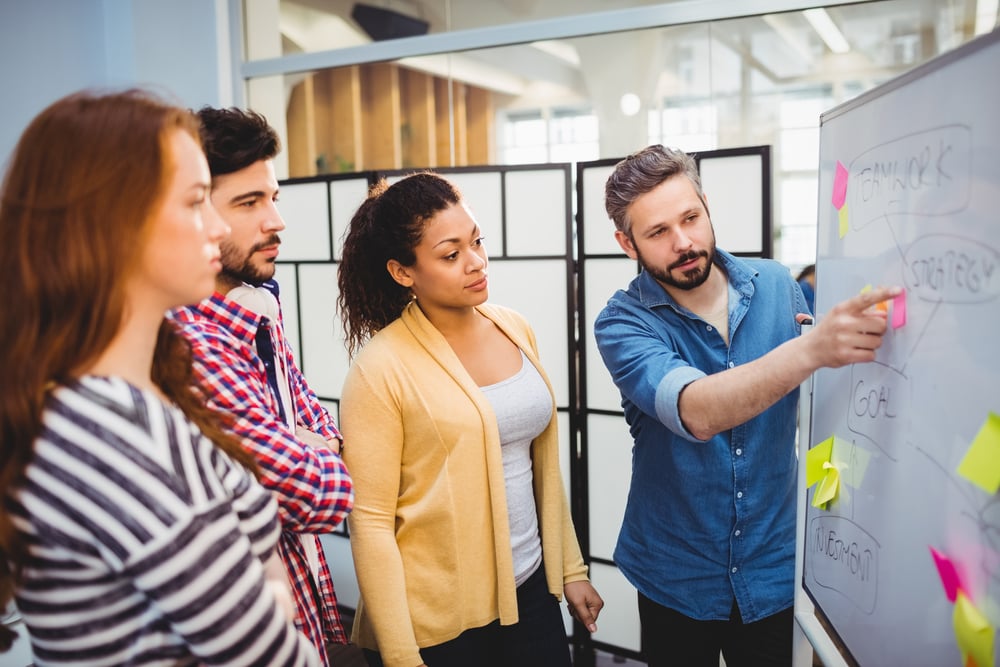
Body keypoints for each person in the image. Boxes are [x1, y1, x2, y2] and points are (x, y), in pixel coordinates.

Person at [0, 88, 319, 665]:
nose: (216, 228)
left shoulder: (135, 392)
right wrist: (269, 586)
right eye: (197, 201)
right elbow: (268, 652)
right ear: (115, 224)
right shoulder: (117, 432)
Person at [593, 145, 899, 667]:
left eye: (691, 218)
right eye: (658, 232)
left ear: (707, 206)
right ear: (627, 243)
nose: (684, 242)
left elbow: (822, 406)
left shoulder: (779, 285)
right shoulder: (621, 324)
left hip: (774, 564)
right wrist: (809, 350)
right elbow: (696, 410)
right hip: (676, 572)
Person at [336, 172, 604, 667]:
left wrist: (569, 568)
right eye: (450, 254)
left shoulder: (513, 326)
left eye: (476, 241)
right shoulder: (381, 368)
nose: (476, 262)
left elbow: (541, 466)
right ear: (403, 272)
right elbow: (370, 523)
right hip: (436, 624)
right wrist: (400, 654)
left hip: (531, 592)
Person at [167, 107, 358, 665]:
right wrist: (305, 447)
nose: (275, 220)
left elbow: (323, 434)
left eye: (273, 198)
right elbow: (319, 492)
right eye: (248, 203)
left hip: (304, 612)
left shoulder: (256, 310)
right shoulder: (187, 343)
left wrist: (306, 443)